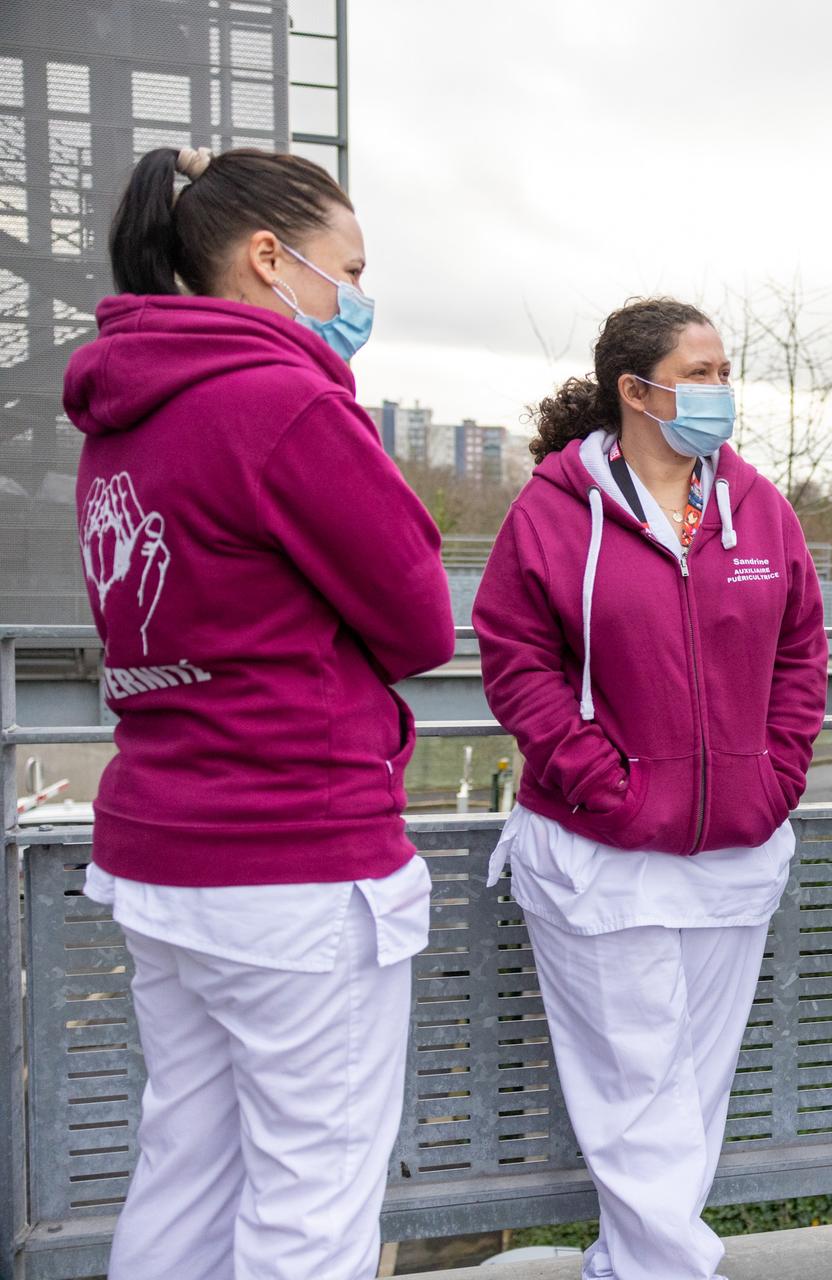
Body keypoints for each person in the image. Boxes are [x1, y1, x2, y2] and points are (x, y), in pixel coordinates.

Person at [63, 146, 455, 1278]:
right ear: (269, 257)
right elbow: (421, 619)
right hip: (292, 853)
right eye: (351, 267)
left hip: (161, 847)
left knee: (186, 1161)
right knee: (313, 1189)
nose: (359, 296)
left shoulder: (119, 415)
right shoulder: (280, 401)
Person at [473, 297, 827, 1280]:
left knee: (693, 1084)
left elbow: (801, 647)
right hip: (601, 852)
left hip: (734, 846)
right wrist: (601, 781)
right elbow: (515, 660)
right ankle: (659, 1266)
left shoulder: (756, 503)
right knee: (633, 1084)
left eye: (724, 369)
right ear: (636, 390)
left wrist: (780, 771)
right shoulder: (552, 509)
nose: (722, 389)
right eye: (701, 371)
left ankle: (639, 1261)